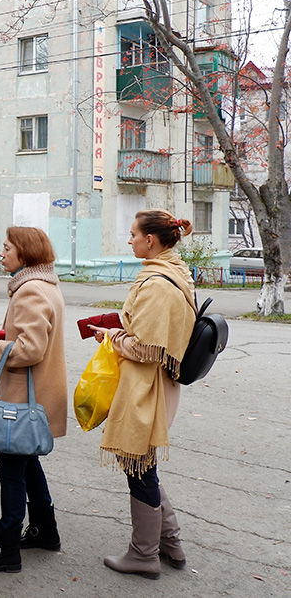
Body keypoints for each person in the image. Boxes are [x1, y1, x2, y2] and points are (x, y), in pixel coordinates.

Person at [87, 209, 196, 580]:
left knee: (140, 468)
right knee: (144, 467)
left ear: (151, 240)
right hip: (155, 385)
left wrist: (111, 336)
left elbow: (148, 348)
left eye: (133, 234)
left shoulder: (158, 284)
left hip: (145, 388)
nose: (129, 239)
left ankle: (144, 555)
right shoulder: (173, 271)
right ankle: (170, 542)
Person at [0, 227, 67, 573]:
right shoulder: (47, 285)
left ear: (24, 253)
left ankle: (5, 548)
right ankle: (44, 530)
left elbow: (29, 349)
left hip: (22, 401)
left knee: (10, 469)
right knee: (28, 461)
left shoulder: (30, 291)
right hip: (35, 396)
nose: (1, 253)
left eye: (6, 248)